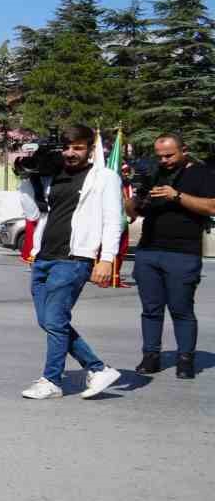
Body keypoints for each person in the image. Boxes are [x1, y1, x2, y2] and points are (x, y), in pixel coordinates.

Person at [17, 125, 124, 400]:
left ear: (89, 148)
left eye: (77, 147)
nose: (71, 153)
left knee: (54, 320)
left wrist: (107, 260)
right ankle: (97, 368)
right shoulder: (52, 176)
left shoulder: (104, 177)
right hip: (43, 258)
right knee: (50, 321)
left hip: (74, 259)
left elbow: (114, 221)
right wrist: (28, 178)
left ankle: (51, 380)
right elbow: (33, 213)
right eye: (66, 147)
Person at [127, 134, 213, 381]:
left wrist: (176, 195)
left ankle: (185, 359)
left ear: (184, 149)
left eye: (169, 155)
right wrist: (134, 194)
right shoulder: (154, 173)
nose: (164, 160)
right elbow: (133, 213)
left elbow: (212, 207)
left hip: (183, 253)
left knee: (181, 308)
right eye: (160, 156)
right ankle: (150, 356)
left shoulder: (201, 173)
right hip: (148, 251)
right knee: (151, 309)